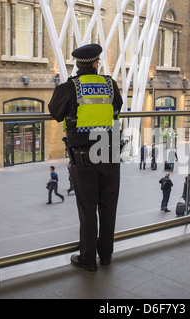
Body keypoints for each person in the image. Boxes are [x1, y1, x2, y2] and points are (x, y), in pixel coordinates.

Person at [48, 43, 123, 271]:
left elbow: (55, 113)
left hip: (83, 158)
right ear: (96, 63)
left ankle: (88, 259)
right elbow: (117, 109)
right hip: (109, 152)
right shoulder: (110, 84)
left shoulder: (69, 88)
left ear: (78, 65)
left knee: (88, 208)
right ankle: (107, 255)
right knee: (108, 206)